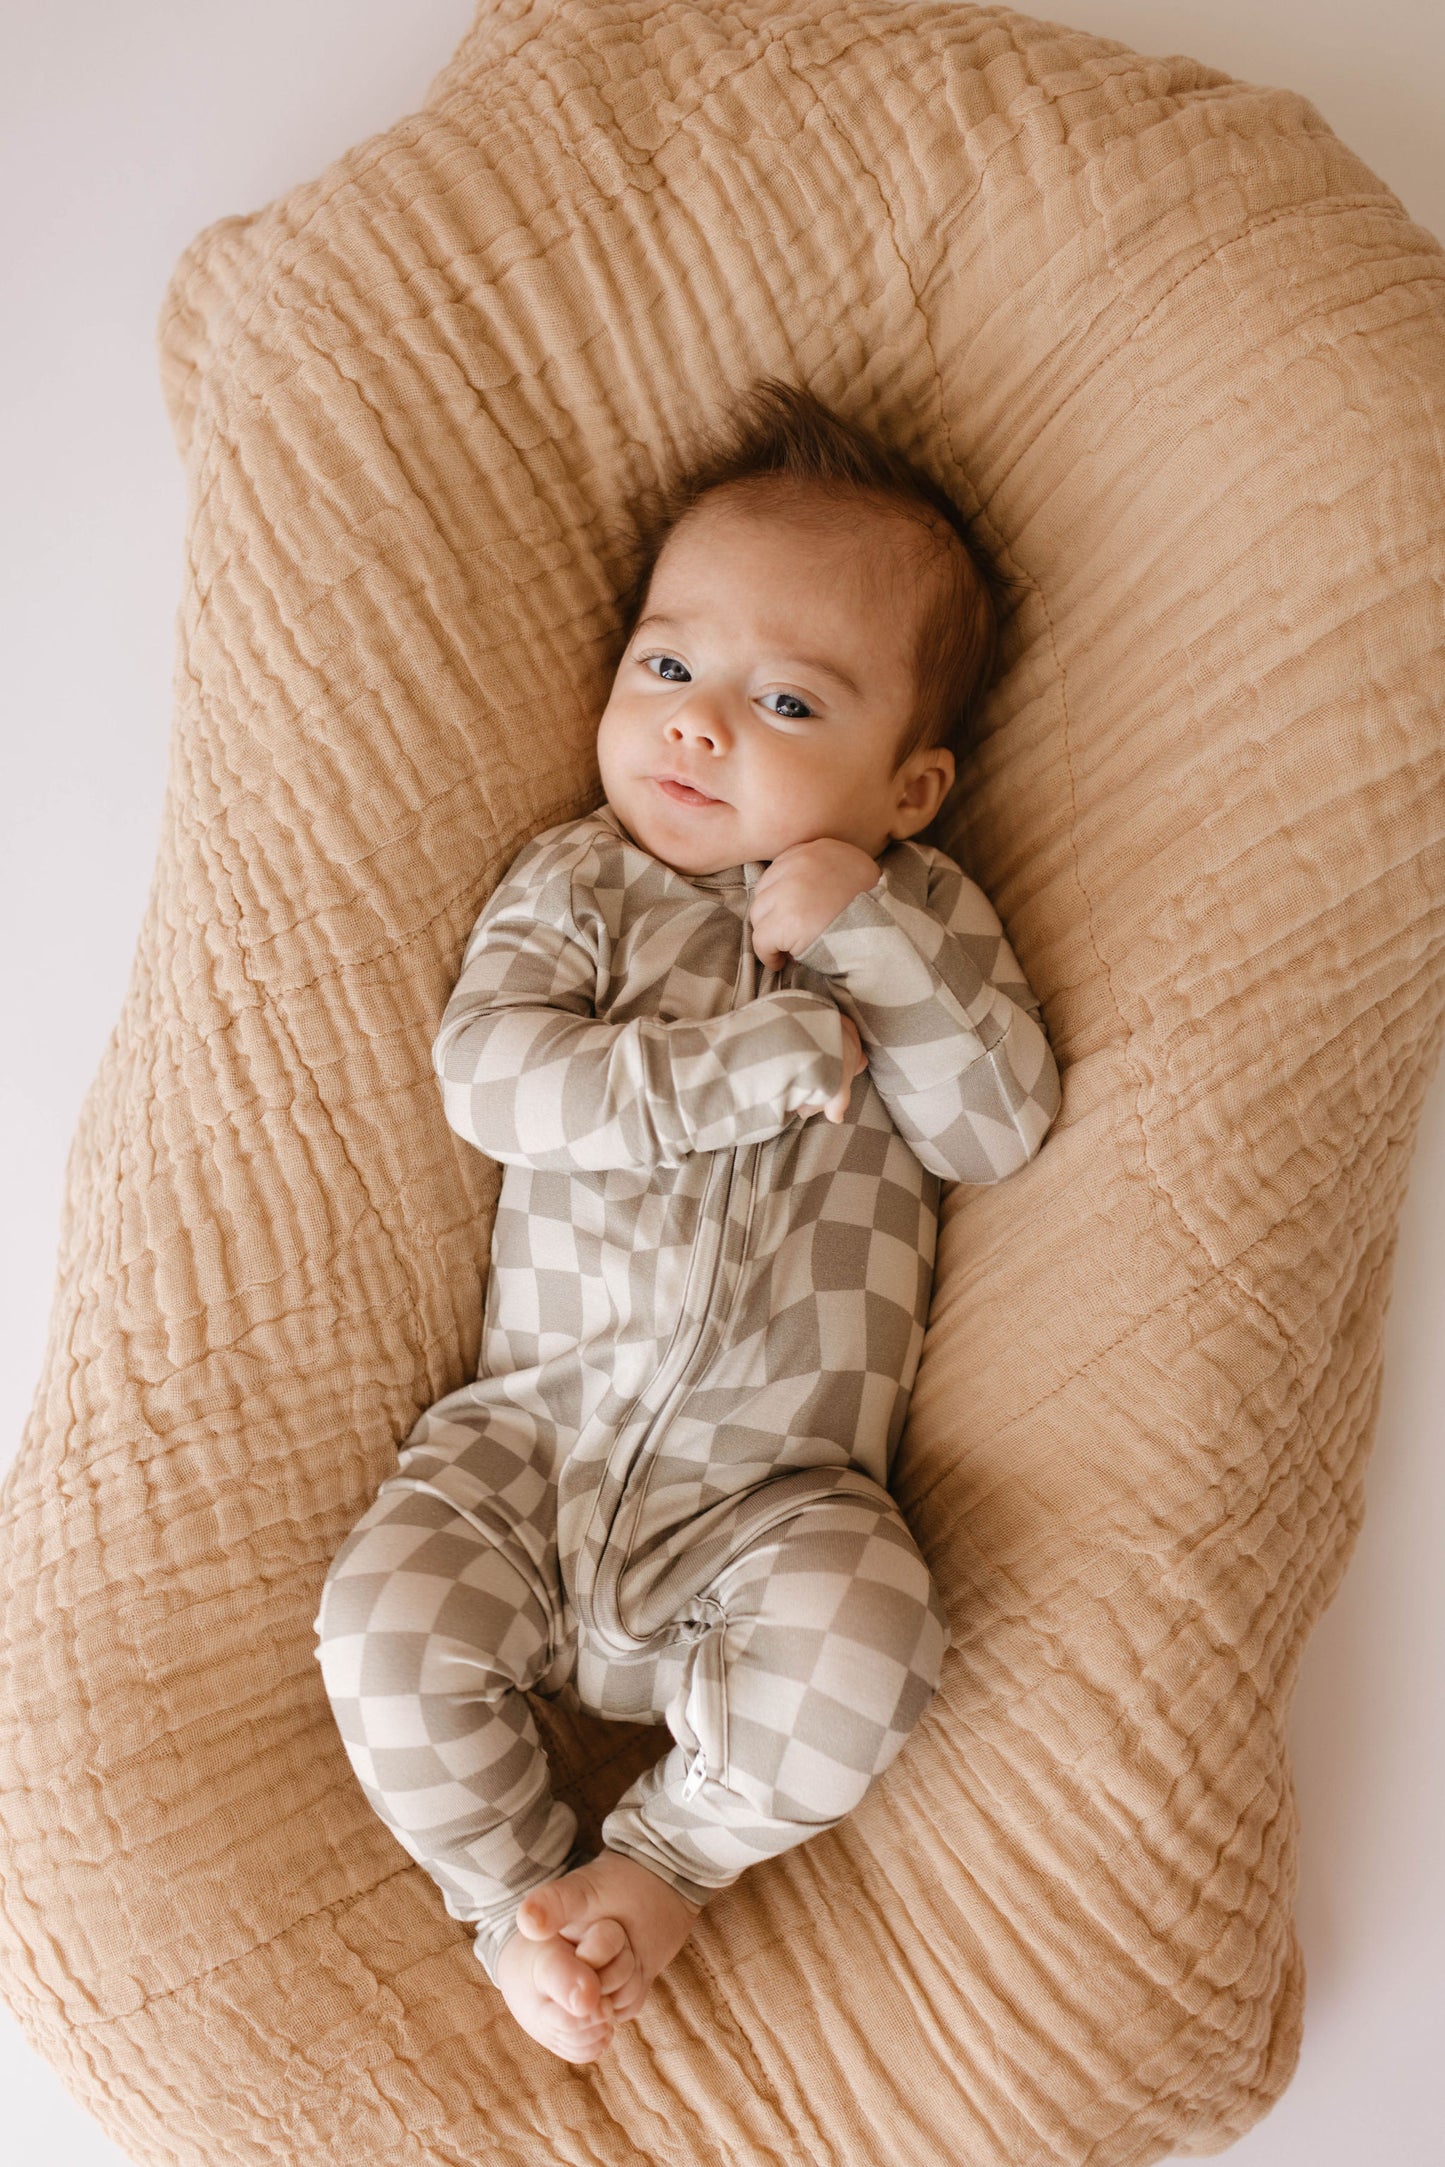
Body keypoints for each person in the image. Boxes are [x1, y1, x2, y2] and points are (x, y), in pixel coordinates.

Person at [312, 377, 1061, 2064]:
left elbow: (996, 1126)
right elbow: (493, 1080)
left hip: (778, 1495)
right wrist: (724, 1071)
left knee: (872, 1635)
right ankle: (511, 1904)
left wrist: (872, 942)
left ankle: (661, 1864)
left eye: (786, 698)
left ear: (914, 782)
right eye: (668, 666)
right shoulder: (581, 883)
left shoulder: (924, 914)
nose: (701, 722)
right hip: (529, 1447)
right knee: (382, 1625)